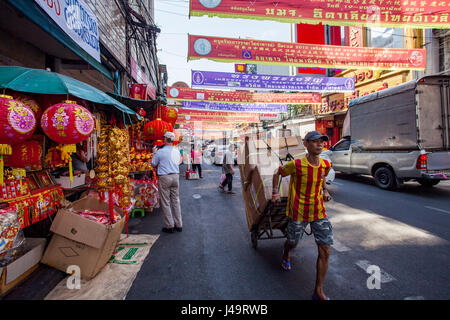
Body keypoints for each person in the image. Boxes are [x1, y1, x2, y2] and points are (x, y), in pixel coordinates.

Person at [272, 131, 333, 300]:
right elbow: (277, 173)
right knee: (293, 242)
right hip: (298, 211)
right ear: (305, 144)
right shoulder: (296, 164)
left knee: (325, 249)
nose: (319, 144)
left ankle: (318, 290)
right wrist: (275, 193)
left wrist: (325, 190)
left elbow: (321, 178)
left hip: (319, 211)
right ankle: (286, 252)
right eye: (314, 141)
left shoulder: (326, 164)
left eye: (322, 141)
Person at [151, 131, 183, 233]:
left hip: (165, 177)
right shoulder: (177, 151)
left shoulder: (160, 152)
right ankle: (179, 224)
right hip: (175, 176)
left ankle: (170, 225)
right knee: (176, 201)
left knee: (165, 202)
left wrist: (154, 153)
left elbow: (153, 163)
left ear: (165, 139)